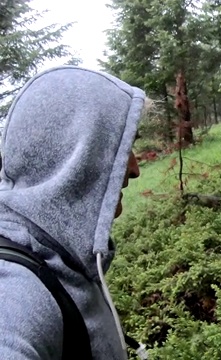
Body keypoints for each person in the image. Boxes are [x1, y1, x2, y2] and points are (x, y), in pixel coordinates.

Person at [0, 66, 147, 359]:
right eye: (121, 148)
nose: (134, 168)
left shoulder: (61, 252)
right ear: (73, 157)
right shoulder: (17, 293)